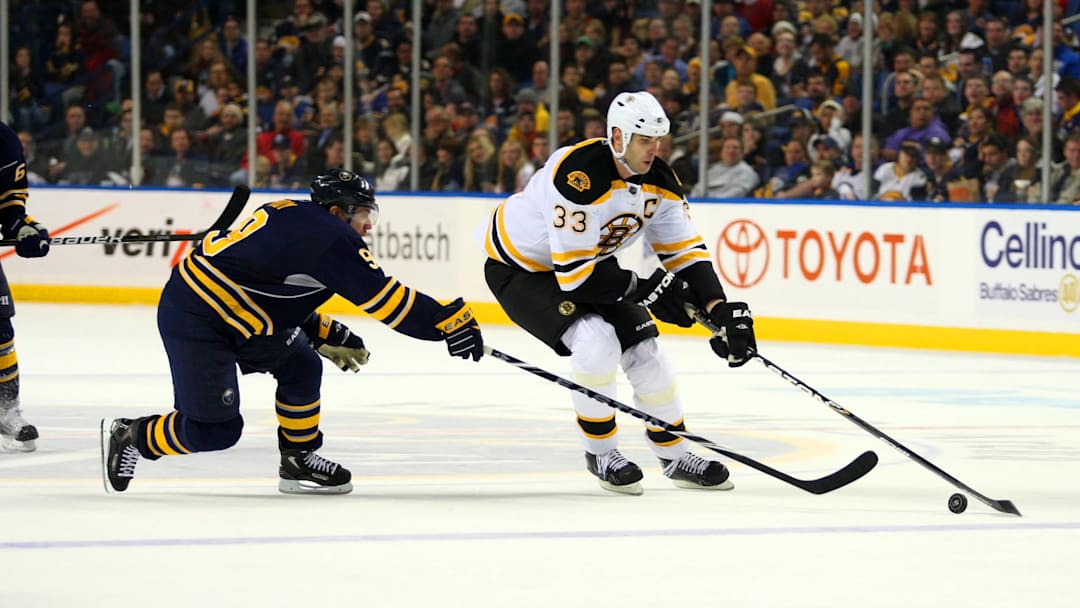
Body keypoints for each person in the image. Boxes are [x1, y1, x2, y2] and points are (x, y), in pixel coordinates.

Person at [101, 170, 484, 494]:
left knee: (301, 364)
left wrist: (320, 330)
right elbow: (389, 303)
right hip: (199, 317)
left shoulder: (299, 217)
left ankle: (298, 459)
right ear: (338, 211)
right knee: (215, 430)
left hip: (243, 314)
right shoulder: (331, 237)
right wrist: (445, 322)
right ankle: (132, 434)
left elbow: (270, 285)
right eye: (364, 213)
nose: (369, 225)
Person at [482, 91, 756, 495]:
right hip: (522, 271)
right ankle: (601, 452)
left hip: (589, 265)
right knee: (595, 340)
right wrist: (651, 288)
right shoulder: (577, 176)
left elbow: (684, 252)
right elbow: (575, 279)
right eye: (645, 141)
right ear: (616, 137)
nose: (654, 150)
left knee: (646, 348)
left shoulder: (660, 181)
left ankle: (674, 452)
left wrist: (720, 309)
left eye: (658, 141)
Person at [0, 121, 51, 451]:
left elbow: (9, 205)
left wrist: (26, 229)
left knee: (0, 330)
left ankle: (6, 409)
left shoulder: (2, 140)